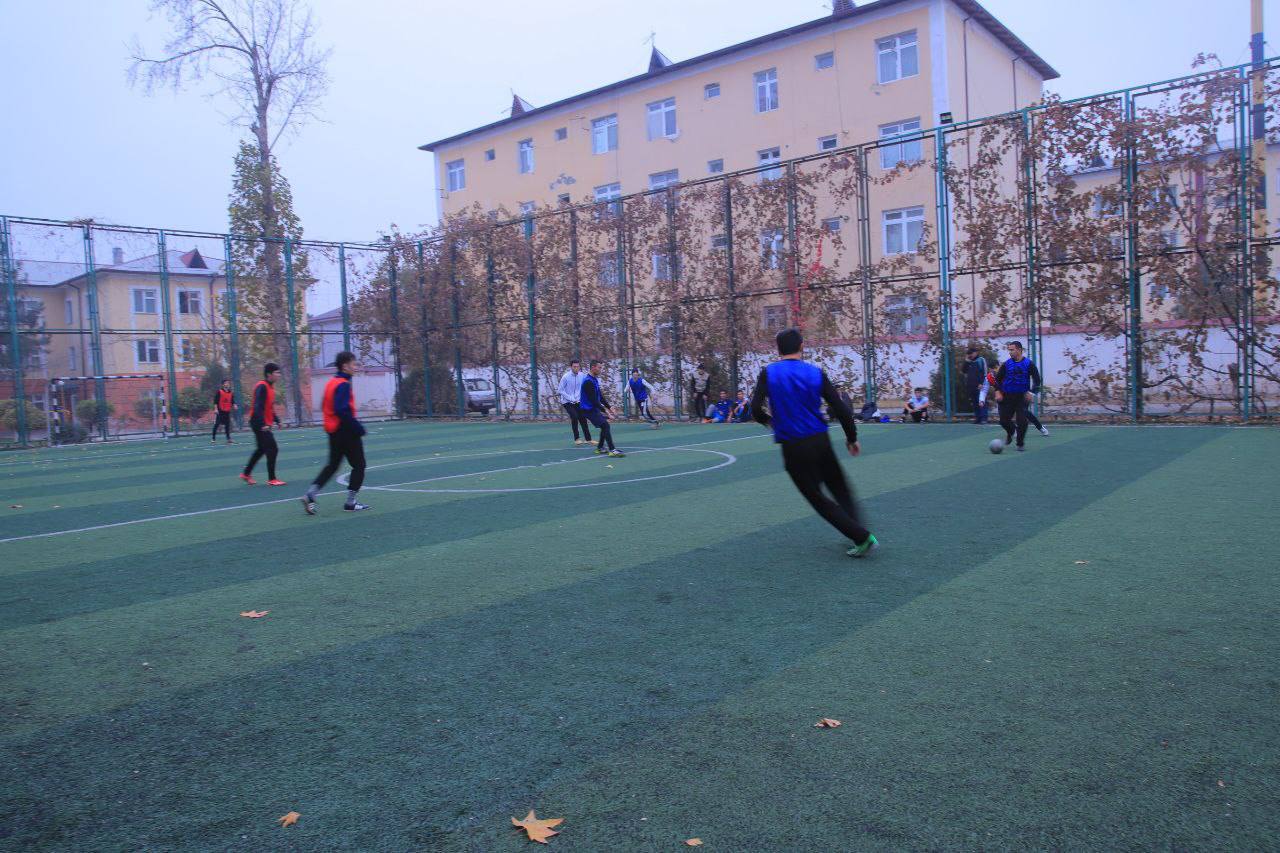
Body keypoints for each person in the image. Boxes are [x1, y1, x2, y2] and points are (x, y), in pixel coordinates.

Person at [751, 328, 877, 558]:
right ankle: (858, 529)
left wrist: (771, 422)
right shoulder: (815, 372)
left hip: (793, 445)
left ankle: (861, 536)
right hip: (821, 440)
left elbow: (754, 409)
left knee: (817, 498)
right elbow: (841, 409)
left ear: (778, 349)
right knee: (838, 485)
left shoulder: (768, 373)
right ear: (802, 347)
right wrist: (851, 438)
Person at [303, 351, 370, 514]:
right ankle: (350, 502)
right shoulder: (343, 384)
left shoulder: (332, 382)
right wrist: (357, 427)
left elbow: (328, 406)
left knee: (332, 465)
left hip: (333, 431)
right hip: (345, 431)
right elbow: (341, 409)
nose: (356, 367)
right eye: (354, 364)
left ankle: (311, 494)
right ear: (345, 366)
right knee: (359, 465)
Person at [993, 340, 1043, 452]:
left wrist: (1031, 392)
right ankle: (1011, 432)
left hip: (1022, 397)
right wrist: (997, 391)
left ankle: (1020, 443)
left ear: (1019, 350)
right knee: (1003, 421)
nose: (1010, 352)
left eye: (1012, 350)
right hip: (1007, 397)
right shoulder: (1006, 364)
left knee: (1022, 421)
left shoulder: (1029, 364)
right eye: (1009, 350)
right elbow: (997, 380)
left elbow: (1037, 381)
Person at [240, 363, 285, 486]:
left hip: (261, 422)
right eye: (277, 372)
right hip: (258, 422)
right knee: (273, 448)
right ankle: (272, 479)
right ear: (269, 374)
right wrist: (262, 424)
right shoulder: (262, 386)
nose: (279, 375)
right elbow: (258, 406)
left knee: (261, 449)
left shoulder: (270, 388)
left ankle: (246, 473)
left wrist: (277, 420)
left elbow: (269, 407)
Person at [580, 359, 624, 457]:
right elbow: (594, 401)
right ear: (593, 368)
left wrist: (610, 407)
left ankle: (600, 448)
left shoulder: (593, 379)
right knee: (605, 425)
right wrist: (607, 412)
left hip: (592, 408)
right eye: (599, 368)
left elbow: (600, 396)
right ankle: (612, 450)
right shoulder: (588, 382)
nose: (601, 370)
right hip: (587, 410)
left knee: (605, 425)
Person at [557, 359, 592, 445]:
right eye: (574, 367)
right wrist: (570, 398)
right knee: (574, 416)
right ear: (571, 367)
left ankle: (588, 439)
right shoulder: (565, 377)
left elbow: (587, 384)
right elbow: (560, 390)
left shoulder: (582, 375)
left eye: (578, 366)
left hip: (578, 401)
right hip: (567, 402)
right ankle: (577, 439)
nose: (576, 368)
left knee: (583, 419)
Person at [963, 346, 988, 424]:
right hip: (971, 386)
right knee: (974, 402)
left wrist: (981, 383)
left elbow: (984, 372)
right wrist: (966, 361)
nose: (970, 355)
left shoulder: (981, 360)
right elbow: (963, 370)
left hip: (980, 385)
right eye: (969, 353)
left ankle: (984, 418)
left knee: (981, 401)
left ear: (976, 352)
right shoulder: (969, 362)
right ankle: (978, 418)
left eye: (971, 353)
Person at [211, 379, 235, 444]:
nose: (227, 384)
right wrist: (216, 409)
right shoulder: (219, 392)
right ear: (223, 384)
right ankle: (213, 438)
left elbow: (232, 401)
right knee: (217, 424)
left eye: (228, 383)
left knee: (227, 425)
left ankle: (228, 439)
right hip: (220, 411)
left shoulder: (231, 393)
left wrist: (234, 405)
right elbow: (215, 401)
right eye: (226, 383)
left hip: (227, 411)